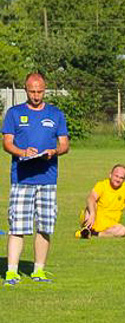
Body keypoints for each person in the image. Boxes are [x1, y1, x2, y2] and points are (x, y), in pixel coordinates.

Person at [2, 72, 69, 285]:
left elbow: (64, 144)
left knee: (45, 226)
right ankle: (12, 272)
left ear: (45, 90)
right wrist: (23, 153)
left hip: (48, 179)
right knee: (18, 226)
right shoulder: (14, 113)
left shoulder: (56, 114)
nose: (36, 95)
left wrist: (54, 151)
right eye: (32, 91)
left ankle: (38, 270)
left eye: (40, 91)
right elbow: (7, 143)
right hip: (22, 179)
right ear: (25, 90)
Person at [78, 164, 125, 238]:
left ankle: (96, 234)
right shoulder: (102, 185)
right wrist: (93, 214)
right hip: (94, 220)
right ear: (110, 175)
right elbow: (91, 198)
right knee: (91, 205)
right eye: (116, 176)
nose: (118, 179)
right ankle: (87, 228)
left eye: (121, 178)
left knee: (123, 231)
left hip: (110, 225)